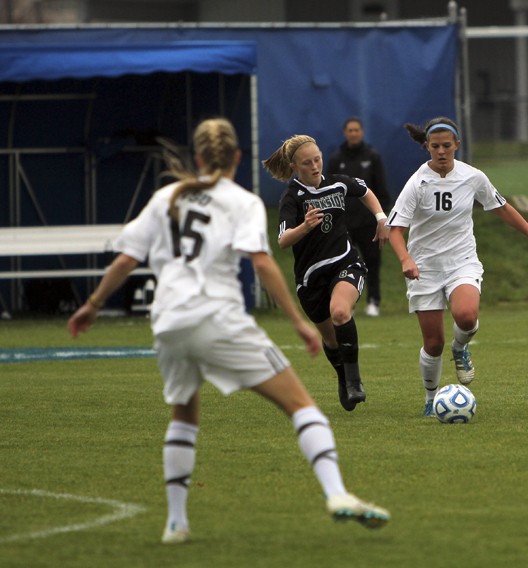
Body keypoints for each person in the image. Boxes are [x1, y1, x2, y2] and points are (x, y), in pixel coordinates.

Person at [66, 118, 389, 544]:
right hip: (218, 320)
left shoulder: (167, 196)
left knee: (184, 415)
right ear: (237, 158)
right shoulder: (242, 201)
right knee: (302, 407)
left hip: (168, 324)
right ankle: (336, 493)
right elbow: (261, 261)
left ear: (198, 159)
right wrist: (296, 323)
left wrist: (91, 305)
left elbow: (126, 259)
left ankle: (176, 523)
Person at [386, 117, 528, 417]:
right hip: (424, 267)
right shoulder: (417, 182)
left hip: (461, 261)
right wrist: (406, 259)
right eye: (435, 146)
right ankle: (431, 399)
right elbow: (395, 230)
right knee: (433, 342)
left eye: (447, 146)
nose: (441, 152)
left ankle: (461, 348)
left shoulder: (473, 177)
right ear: (427, 147)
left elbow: (502, 207)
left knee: (466, 317)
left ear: (457, 145)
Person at [263, 134, 390, 412]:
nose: (315, 166)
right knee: (331, 339)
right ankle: (343, 378)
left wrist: (381, 219)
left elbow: (365, 191)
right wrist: (305, 227)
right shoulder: (292, 196)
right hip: (310, 279)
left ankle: (355, 381)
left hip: (345, 262)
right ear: (295, 166)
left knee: (341, 312)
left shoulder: (338, 182)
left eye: (317, 159)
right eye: (307, 163)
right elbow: (283, 240)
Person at [326, 117, 391, 317]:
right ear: (345, 132)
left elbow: (380, 189)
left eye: (356, 130)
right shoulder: (337, 159)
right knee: (343, 265)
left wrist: (381, 217)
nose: (353, 133)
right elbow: (328, 190)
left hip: (368, 223)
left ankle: (373, 301)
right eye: (350, 130)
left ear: (361, 132)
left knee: (372, 262)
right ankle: (347, 304)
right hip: (344, 223)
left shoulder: (372, 156)